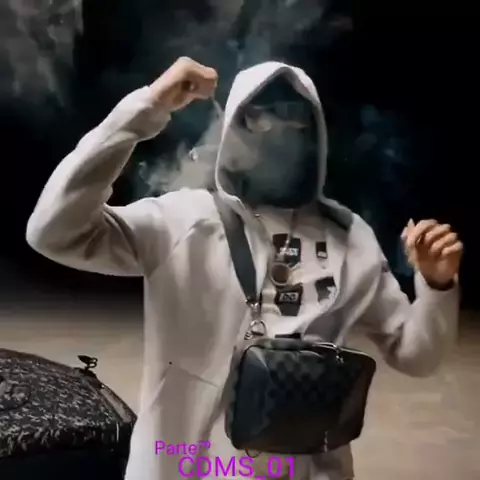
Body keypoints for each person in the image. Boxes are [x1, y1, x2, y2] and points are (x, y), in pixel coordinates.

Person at [26, 57, 463, 480]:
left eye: (293, 116)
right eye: (258, 115)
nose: (276, 128)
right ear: (232, 125)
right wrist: (144, 110)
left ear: (315, 132)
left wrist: (437, 284)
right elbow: (54, 231)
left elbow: (416, 354)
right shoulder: (184, 221)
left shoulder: (349, 237)